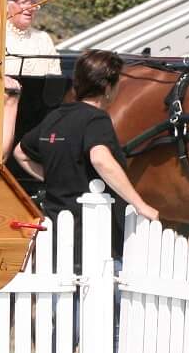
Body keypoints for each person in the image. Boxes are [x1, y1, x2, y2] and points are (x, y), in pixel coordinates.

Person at [13, 49, 161, 232]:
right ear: (108, 88)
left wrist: (55, 179)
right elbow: (100, 159)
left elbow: (20, 153)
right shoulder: (96, 119)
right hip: (91, 230)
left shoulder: (54, 117)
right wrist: (140, 204)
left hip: (54, 225)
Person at [1, 0, 60, 148]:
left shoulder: (43, 39)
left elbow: (55, 80)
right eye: (24, 2)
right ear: (6, 4)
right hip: (2, 118)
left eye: (34, 2)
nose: (31, 8)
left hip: (37, 121)